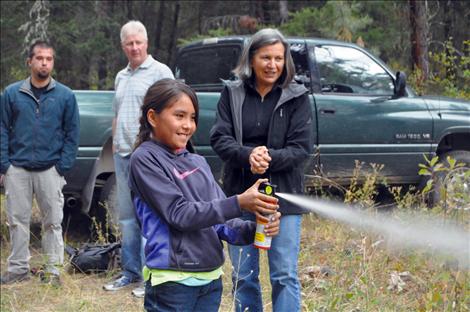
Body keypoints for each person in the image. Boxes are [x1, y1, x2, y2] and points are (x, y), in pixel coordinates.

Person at [128, 78, 281, 312]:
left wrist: (257, 227)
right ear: (153, 117)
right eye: (179, 116)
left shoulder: (197, 161)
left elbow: (222, 221)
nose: (188, 125)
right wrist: (239, 202)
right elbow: (179, 214)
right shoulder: (145, 159)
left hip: (210, 279)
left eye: (192, 118)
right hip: (172, 282)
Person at [210, 28, 314, 312]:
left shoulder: (297, 96)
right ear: (251, 59)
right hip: (241, 195)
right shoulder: (231, 93)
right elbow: (219, 138)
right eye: (265, 57)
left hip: (285, 198)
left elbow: (301, 148)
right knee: (243, 274)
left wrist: (266, 158)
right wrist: (247, 156)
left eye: (278, 58)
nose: (272, 65)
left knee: (284, 274)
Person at [103, 20, 174, 297]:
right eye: (129, 43)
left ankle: (152, 277)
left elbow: (172, 111)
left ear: (146, 43)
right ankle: (130, 272)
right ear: (123, 46)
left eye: (138, 42)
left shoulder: (160, 72)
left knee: (151, 217)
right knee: (127, 219)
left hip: (149, 156)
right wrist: (116, 140)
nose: (134, 47)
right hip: (122, 156)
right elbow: (117, 113)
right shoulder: (121, 76)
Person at [0, 40, 80, 286]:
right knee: (17, 221)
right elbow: (2, 129)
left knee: (53, 222)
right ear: (30, 62)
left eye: (49, 59)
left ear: (52, 62)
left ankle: (53, 271)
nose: (44, 62)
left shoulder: (65, 96)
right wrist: (5, 166)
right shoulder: (12, 94)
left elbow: (72, 133)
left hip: (50, 169)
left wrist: (61, 167)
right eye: (40, 58)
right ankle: (17, 269)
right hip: (18, 169)